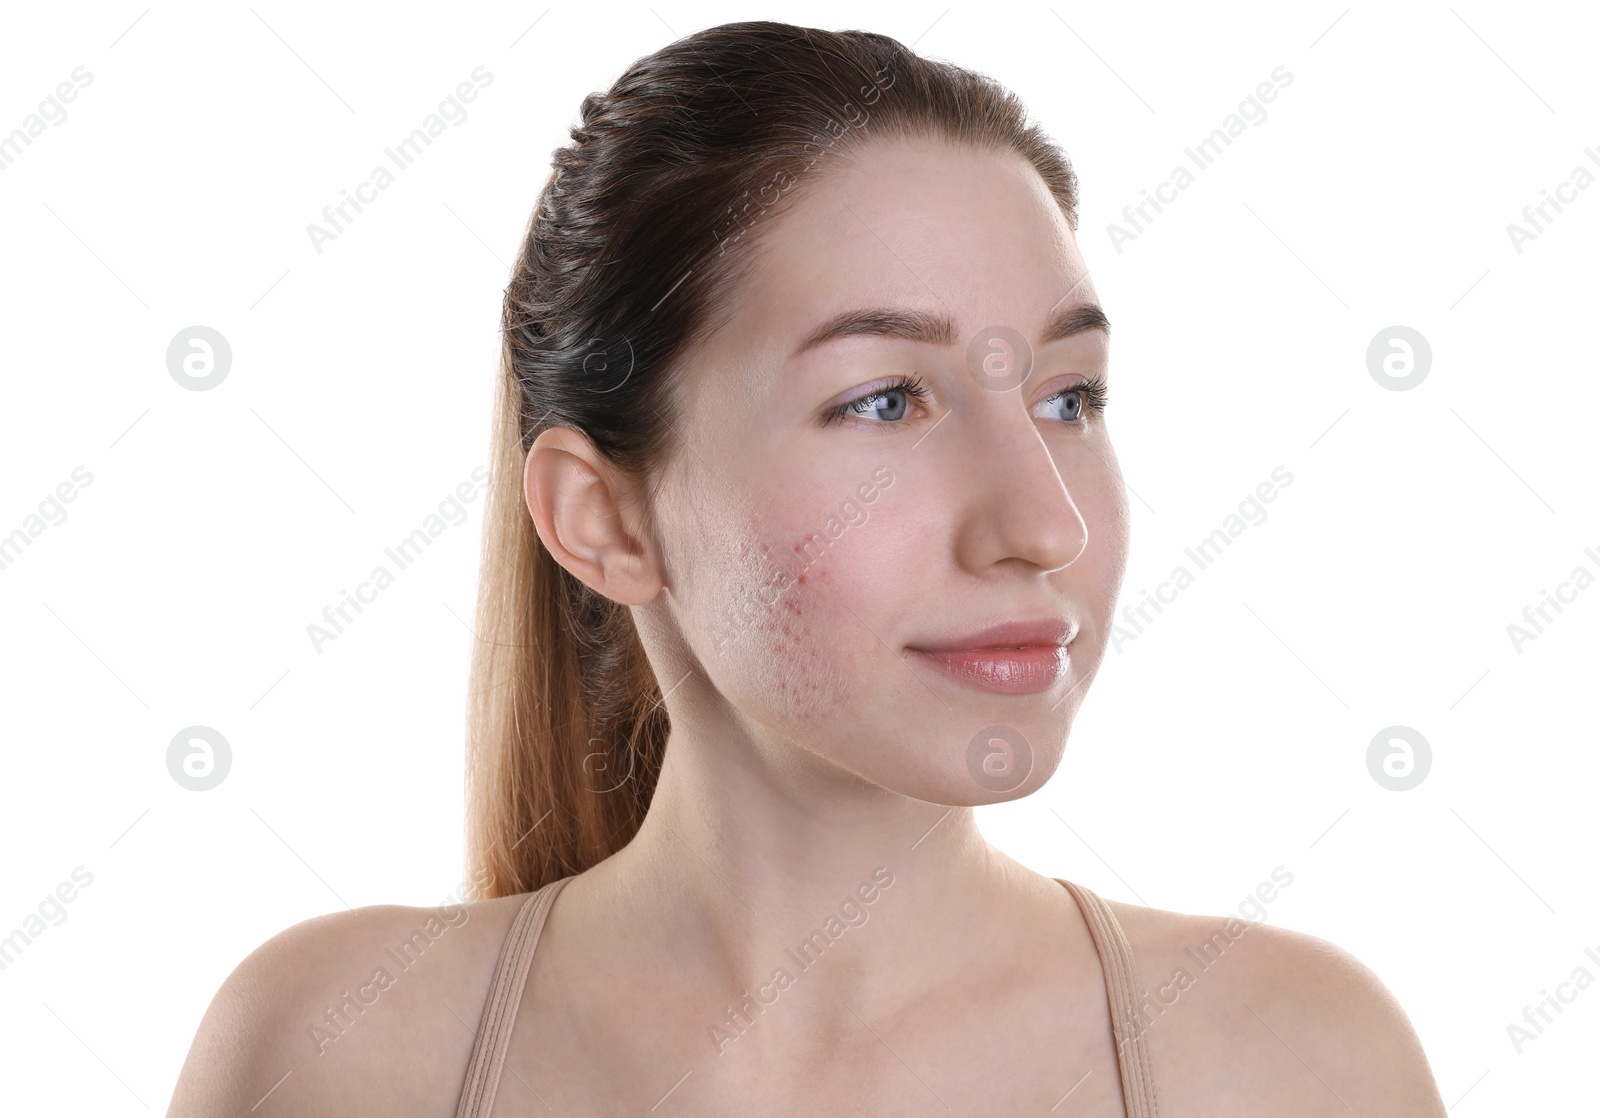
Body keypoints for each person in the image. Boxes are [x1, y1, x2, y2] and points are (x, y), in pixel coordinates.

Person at [168, 21, 1447, 1116]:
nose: (1043, 524)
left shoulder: (1292, 1065)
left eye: (1069, 396)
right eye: (887, 400)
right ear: (604, 517)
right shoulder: (341, 1051)